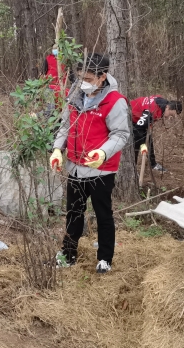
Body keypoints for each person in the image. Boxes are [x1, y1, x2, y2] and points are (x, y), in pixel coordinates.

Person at [48, 53, 130, 274]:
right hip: (74, 166)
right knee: (73, 212)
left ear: (102, 77)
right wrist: (57, 149)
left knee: (103, 214)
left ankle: (105, 258)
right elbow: (65, 126)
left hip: (101, 170)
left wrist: (103, 153)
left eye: (89, 78)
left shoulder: (115, 102)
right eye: (81, 77)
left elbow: (121, 134)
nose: (84, 82)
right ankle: (68, 254)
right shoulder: (75, 95)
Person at [130, 95, 182, 172]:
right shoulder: (152, 111)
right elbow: (138, 128)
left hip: (140, 118)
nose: (168, 117)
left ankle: (153, 164)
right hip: (131, 117)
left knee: (149, 140)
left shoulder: (161, 100)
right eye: (170, 114)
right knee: (137, 142)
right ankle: (132, 169)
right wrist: (143, 145)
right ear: (168, 107)